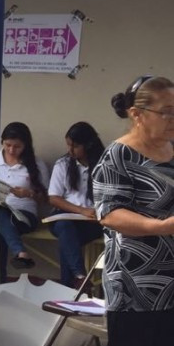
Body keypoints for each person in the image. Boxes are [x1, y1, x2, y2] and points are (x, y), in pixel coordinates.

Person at [88, 75, 174, 346]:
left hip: (172, 277)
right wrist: (163, 227)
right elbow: (110, 213)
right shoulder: (117, 156)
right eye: (167, 112)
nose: (173, 119)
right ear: (137, 114)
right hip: (135, 277)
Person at [47, 122, 105, 287]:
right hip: (62, 218)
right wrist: (81, 210)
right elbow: (54, 198)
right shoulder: (63, 164)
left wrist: (95, 213)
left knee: (68, 242)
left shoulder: (104, 165)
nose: (70, 150)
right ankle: (80, 276)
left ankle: (73, 284)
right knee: (65, 227)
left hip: (92, 223)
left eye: (76, 146)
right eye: (68, 145)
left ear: (89, 144)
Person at [0, 122, 48, 275]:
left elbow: (46, 199)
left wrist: (29, 194)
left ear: (26, 145)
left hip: (24, 215)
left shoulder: (36, 164)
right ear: (2, 143)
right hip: (0, 210)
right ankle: (19, 253)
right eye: (8, 145)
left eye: (17, 146)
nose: (12, 150)